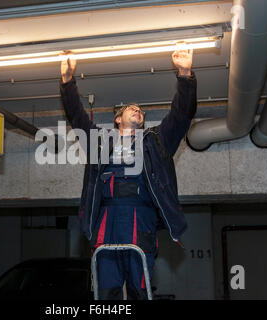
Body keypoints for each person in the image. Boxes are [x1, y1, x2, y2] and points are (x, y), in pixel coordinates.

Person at [59, 48, 197, 300]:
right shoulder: (100, 142)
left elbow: (181, 116)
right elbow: (77, 118)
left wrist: (185, 74)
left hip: (140, 218)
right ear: (117, 120)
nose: (138, 111)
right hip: (105, 219)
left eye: (141, 112)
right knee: (106, 290)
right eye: (131, 109)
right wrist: (68, 81)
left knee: (138, 288)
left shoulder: (156, 141)